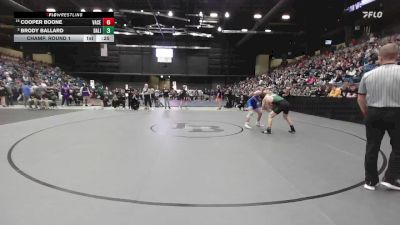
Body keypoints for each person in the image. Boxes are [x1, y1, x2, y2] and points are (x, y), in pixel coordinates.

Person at [357, 43, 400, 191]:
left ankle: (370, 181)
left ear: (380, 58)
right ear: (397, 56)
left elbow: (360, 98)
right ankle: (391, 178)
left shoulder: (368, 75)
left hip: (374, 112)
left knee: (372, 147)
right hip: (397, 113)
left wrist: (367, 113)